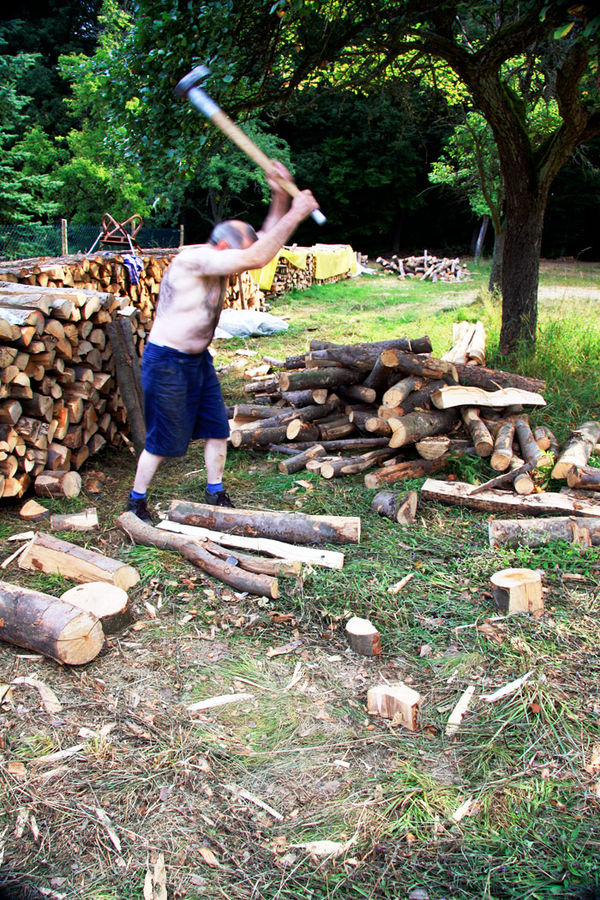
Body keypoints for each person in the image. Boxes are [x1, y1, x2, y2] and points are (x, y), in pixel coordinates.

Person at [126, 162, 320, 523]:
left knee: (217, 428)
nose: (242, 269)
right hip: (167, 361)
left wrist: (279, 192)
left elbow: (261, 242)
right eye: (238, 257)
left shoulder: (222, 255)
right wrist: (296, 212)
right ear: (226, 247)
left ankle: (215, 492)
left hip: (198, 361)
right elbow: (257, 255)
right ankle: (136, 502)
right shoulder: (196, 259)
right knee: (163, 439)